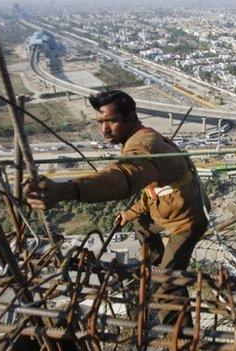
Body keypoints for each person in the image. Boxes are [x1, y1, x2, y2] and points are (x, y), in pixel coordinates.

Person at [24, 90, 208, 325]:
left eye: (111, 121)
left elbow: (124, 177)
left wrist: (65, 190)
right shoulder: (143, 135)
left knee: (168, 285)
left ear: (130, 117)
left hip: (187, 221)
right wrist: (128, 214)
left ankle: (180, 335)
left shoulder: (144, 144)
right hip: (171, 206)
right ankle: (152, 268)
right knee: (141, 225)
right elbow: (154, 193)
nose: (104, 130)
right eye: (100, 122)